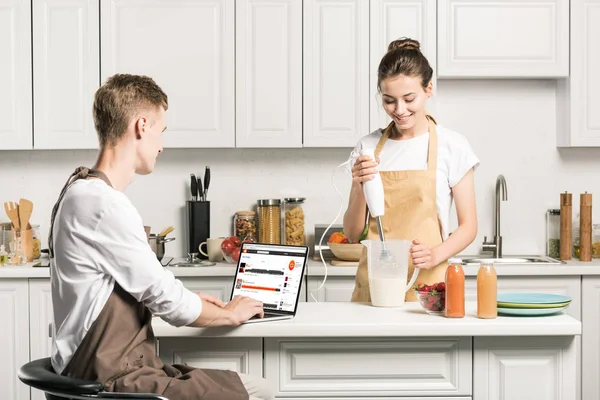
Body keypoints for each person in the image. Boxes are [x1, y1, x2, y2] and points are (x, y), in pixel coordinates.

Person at [48, 73, 274, 400]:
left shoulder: (79, 192)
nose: (161, 145)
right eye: (161, 130)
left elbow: (127, 290)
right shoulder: (102, 204)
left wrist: (192, 300)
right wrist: (229, 312)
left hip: (100, 370)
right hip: (109, 379)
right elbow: (171, 304)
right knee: (260, 392)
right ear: (142, 126)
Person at [344, 38, 479, 303]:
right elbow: (352, 232)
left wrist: (435, 254)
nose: (399, 110)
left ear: (428, 89)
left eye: (409, 99)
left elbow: (469, 226)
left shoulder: (452, 145)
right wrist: (360, 185)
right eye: (389, 100)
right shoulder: (368, 147)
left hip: (429, 289)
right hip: (375, 289)